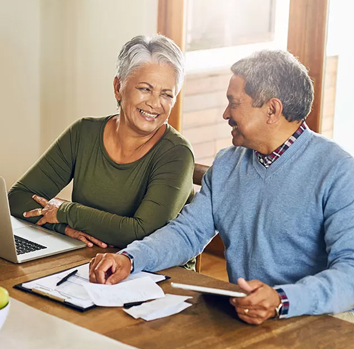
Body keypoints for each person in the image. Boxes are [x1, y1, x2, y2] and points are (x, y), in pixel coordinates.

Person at [89, 50, 354, 325]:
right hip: (246, 321)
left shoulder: (339, 171)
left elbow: (351, 275)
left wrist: (281, 300)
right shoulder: (228, 163)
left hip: (323, 325)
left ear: (272, 110)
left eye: (234, 103)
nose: (225, 113)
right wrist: (131, 258)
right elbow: (187, 233)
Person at [8, 34, 195, 251]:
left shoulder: (177, 154)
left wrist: (64, 211)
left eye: (167, 95)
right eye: (145, 89)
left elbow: (142, 233)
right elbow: (18, 198)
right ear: (118, 87)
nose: (155, 103)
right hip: (87, 260)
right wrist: (64, 228)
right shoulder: (83, 133)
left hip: (155, 273)